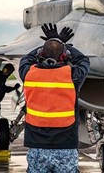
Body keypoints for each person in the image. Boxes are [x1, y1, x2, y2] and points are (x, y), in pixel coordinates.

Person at [19, 23, 90, 173]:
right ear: (64, 56)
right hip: (65, 147)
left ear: (42, 55)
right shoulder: (72, 76)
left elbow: (26, 59)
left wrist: (48, 44)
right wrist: (63, 45)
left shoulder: (28, 74)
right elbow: (83, 60)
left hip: (37, 148)